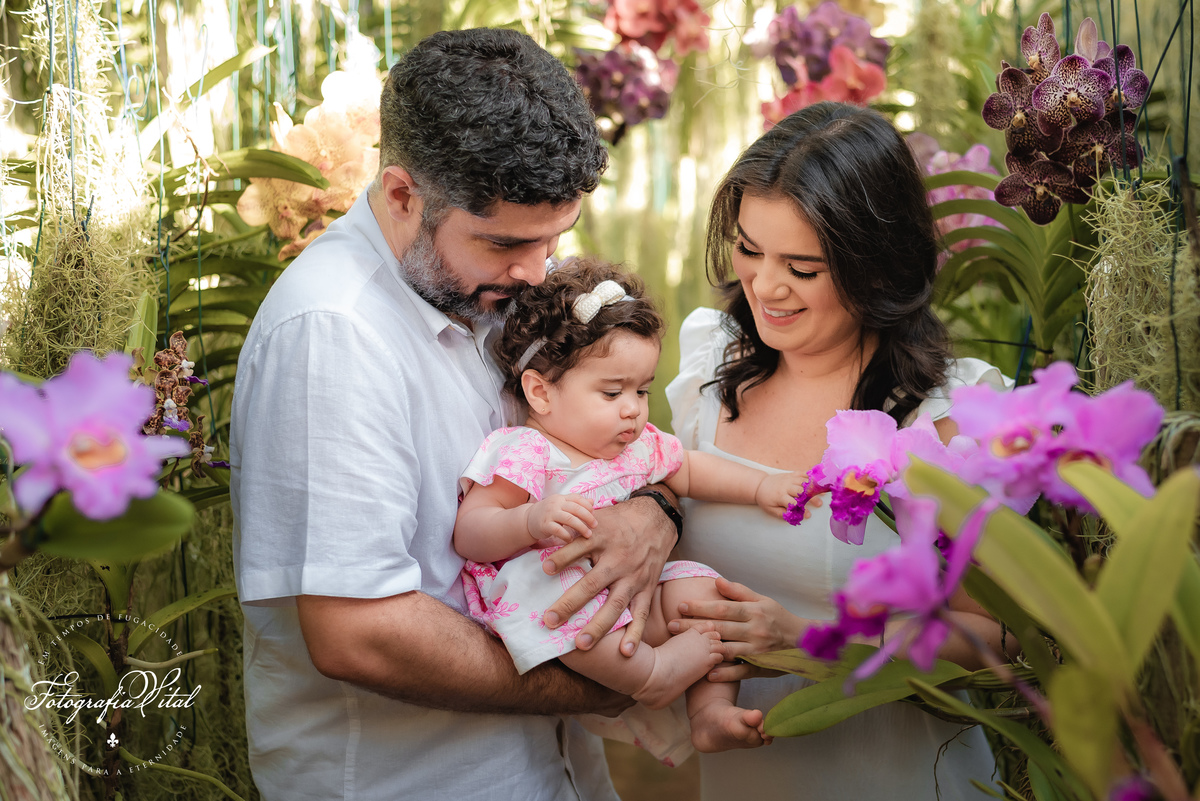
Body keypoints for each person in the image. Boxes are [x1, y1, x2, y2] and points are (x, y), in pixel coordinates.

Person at [230, 29, 682, 801]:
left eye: (554, 239)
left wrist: (654, 512)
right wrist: (601, 681)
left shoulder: (485, 284)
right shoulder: (333, 333)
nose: (537, 271)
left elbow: (602, 449)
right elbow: (358, 632)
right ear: (402, 195)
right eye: (506, 243)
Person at [664, 101, 1012, 799]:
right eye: (749, 249)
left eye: (801, 267)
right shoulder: (710, 368)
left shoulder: (948, 419)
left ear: (877, 268)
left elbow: (996, 640)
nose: (764, 286)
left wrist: (809, 638)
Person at [454, 257, 800, 763]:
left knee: (705, 594)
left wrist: (761, 485)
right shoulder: (524, 452)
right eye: (612, 392)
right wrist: (527, 520)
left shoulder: (635, 447)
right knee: (556, 590)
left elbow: (690, 469)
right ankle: (651, 677)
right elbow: (470, 532)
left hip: (634, 599)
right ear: (541, 392)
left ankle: (710, 713)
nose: (633, 409)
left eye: (642, 390)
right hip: (554, 605)